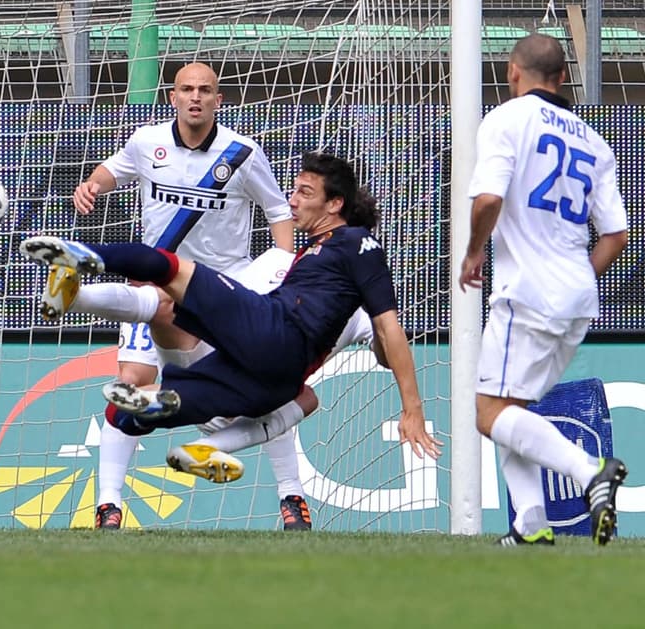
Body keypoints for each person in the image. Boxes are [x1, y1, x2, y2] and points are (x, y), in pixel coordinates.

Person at [22, 151, 442, 483]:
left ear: (336, 204)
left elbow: (388, 327)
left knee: (168, 268)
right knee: (128, 416)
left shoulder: (358, 243)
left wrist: (413, 407)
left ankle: (82, 257)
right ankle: (175, 424)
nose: (292, 199)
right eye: (293, 190)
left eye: (305, 193)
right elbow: (379, 338)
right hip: (271, 380)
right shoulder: (316, 251)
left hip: (274, 331)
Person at [66, 62, 308, 530]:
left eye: (205, 90)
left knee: (266, 390)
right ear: (172, 97)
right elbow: (113, 171)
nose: (195, 97)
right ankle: (108, 505)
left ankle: (292, 498)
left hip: (224, 297)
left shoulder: (242, 153)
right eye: (186, 89)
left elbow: (279, 210)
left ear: (219, 100)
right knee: (132, 382)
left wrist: (282, 269)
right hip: (157, 287)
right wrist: (92, 186)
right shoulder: (146, 142)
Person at [458, 34, 629, 547]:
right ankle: (530, 523)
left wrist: (472, 253)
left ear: (513, 72)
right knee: (512, 406)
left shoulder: (507, 119)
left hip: (527, 292)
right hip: (577, 296)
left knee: (489, 413)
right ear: (561, 77)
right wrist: (575, 280)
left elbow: (488, 199)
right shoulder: (593, 141)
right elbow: (617, 234)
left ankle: (589, 470)